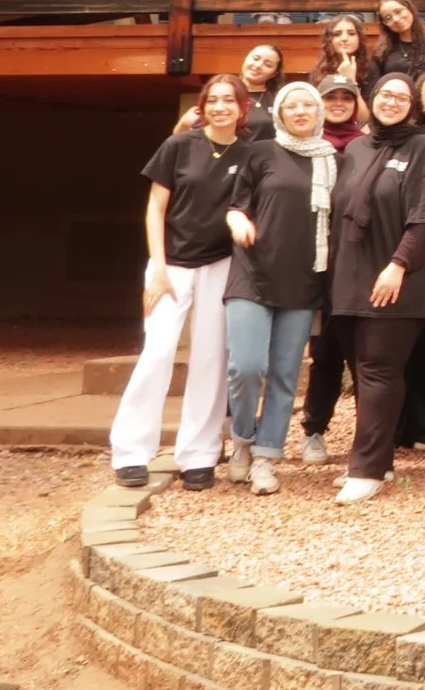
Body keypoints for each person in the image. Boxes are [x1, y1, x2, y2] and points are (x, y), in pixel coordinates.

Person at [112, 74, 243, 492]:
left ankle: (199, 455)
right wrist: (159, 266)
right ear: (202, 106)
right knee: (158, 353)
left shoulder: (252, 153)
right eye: (213, 100)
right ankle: (132, 451)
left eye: (228, 100)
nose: (220, 106)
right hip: (171, 265)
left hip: (220, 265)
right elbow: (155, 208)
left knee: (210, 360)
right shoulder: (178, 145)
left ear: (243, 107)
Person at [323, 70, 425, 504]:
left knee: (378, 369)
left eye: (401, 97)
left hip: (398, 279)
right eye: (384, 95)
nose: (391, 102)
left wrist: (398, 265)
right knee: (361, 371)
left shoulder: (421, 148)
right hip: (350, 279)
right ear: (370, 100)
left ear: (413, 106)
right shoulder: (355, 148)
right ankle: (381, 459)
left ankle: (367, 469)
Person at [224, 81, 338, 494]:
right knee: (246, 367)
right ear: (280, 112)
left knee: (286, 375)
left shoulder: (333, 160)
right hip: (252, 273)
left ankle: (266, 457)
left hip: (305, 277)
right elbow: (238, 203)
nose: (302, 110)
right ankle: (241, 438)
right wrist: (237, 218)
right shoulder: (260, 151)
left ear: (319, 112)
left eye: (309, 104)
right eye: (293, 105)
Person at [364, 0, 423, 84]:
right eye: (388, 18)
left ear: (409, 8)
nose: (395, 19)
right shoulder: (382, 52)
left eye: (398, 12)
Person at [308, 14, 371, 89]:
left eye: (351, 34)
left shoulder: (370, 68)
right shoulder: (320, 70)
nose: (344, 38)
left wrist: (351, 81)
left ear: (359, 38)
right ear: (329, 40)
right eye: (337, 34)